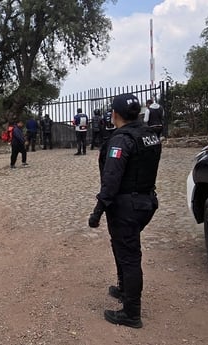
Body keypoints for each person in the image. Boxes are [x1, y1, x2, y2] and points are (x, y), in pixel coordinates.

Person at [88, 93, 161, 329]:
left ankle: (131, 312)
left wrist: (98, 210)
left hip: (126, 206)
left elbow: (111, 178)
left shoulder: (121, 140)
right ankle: (123, 288)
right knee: (121, 245)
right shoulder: (150, 135)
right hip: (146, 202)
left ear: (115, 114)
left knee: (129, 256)